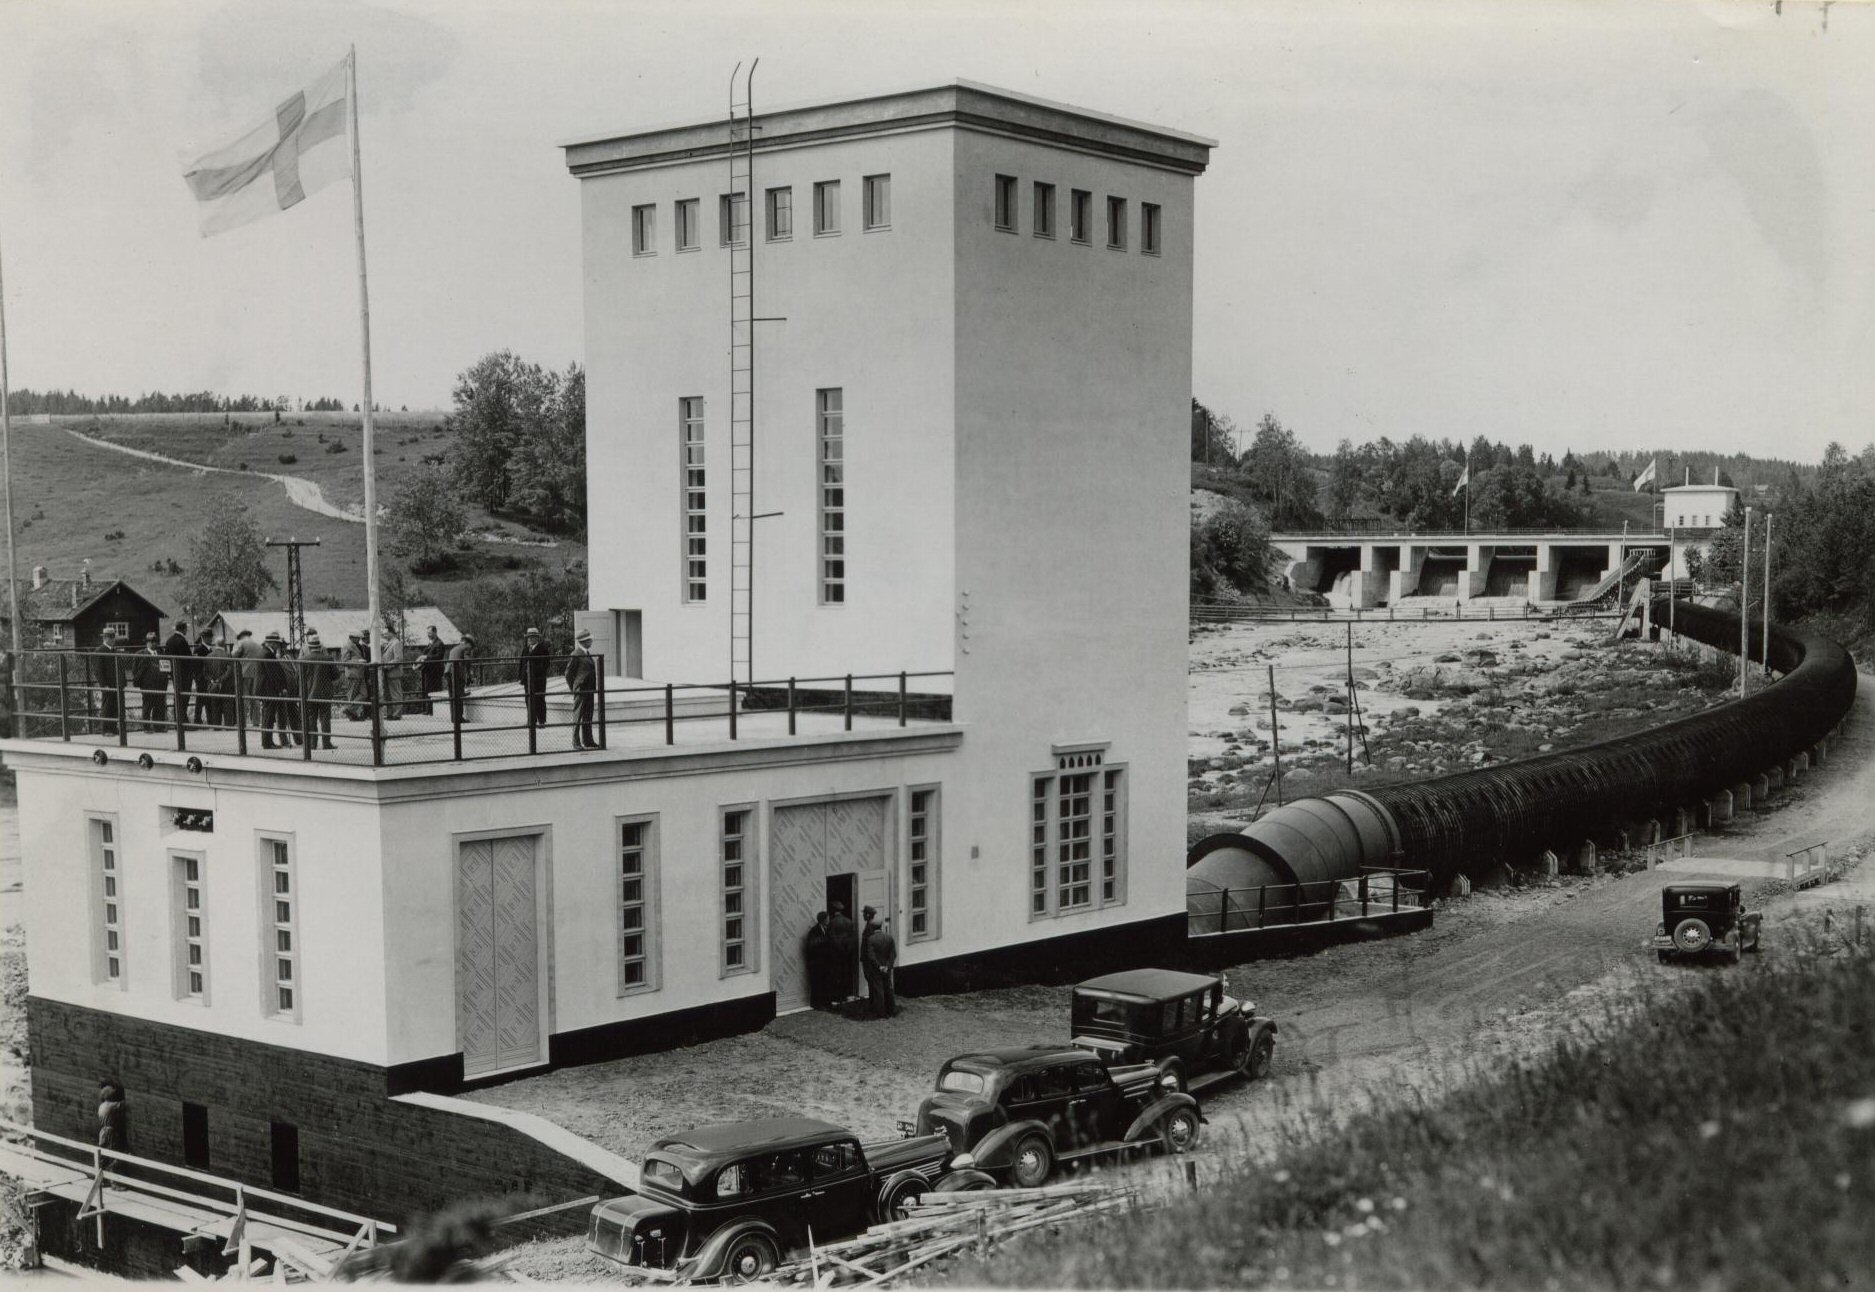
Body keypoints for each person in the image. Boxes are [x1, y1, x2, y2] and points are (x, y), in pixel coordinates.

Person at [299, 630, 337, 750]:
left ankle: (312, 743)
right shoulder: (328, 659)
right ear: (320, 647)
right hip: (325, 693)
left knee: (311, 719)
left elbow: (299, 677)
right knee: (325, 719)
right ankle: (326, 743)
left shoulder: (303, 660)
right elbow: (336, 676)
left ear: (309, 647)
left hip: (309, 693)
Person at [257, 631, 293, 749]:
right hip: (269, 689)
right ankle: (267, 743)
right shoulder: (268, 654)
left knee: (267, 717)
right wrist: (281, 688)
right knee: (268, 717)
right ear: (271, 643)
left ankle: (267, 741)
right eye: (276, 643)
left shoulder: (263, 652)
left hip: (265, 688)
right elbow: (273, 674)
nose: (278, 645)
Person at [562, 628, 597, 748]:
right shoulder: (576, 654)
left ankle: (588, 740)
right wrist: (574, 687)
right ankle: (576, 742)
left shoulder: (586, 653)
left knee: (588, 715)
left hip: (589, 689)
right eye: (589, 640)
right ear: (584, 641)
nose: (591, 641)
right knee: (578, 715)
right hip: (581, 689)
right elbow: (568, 673)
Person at [132, 632, 168, 732]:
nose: (154, 643)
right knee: (147, 705)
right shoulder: (140, 654)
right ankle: (146, 727)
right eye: (151, 641)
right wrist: (140, 681)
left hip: (160, 684)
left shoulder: (161, 653)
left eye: (155, 641)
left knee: (159, 705)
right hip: (147, 684)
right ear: (147, 642)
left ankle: (159, 726)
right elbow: (135, 670)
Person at [865, 917, 899, 1018]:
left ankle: (881, 1012)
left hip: (876, 969)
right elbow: (893, 954)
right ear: (881, 926)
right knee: (888, 988)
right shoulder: (889, 938)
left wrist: (879, 966)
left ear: (872, 927)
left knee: (878, 989)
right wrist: (888, 966)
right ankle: (891, 1010)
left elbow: (871, 956)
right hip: (887, 968)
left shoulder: (871, 939)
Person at [232, 629, 266, 729]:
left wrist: (233, 650)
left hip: (245, 673)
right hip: (256, 673)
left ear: (241, 636)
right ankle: (256, 721)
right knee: (255, 697)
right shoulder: (257, 644)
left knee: (244, 698)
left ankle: (242, 722)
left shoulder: (241, 643)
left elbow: (234, 655)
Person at [92, 627, 123, 736]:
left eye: (113, 636)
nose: (113, 639)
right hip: (107, 684)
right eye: (110, 637)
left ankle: (113, 728)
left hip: (116, 683)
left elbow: (120, 667)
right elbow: (98, 670)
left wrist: (122, 682)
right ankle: (105, 729)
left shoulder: (114, 650)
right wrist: (103, 684)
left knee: (115, 706)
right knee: (107, 706)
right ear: (105, 638)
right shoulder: (100, 651)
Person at [163, 621, 194, 730]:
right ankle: (182, 721)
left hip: (174, 673)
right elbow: (185, 659)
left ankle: (178, 720)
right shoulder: (181, 641)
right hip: (184, 674)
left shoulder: (169, 640)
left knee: (177, 696)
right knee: (184, 696)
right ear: (184, 629)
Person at [519, 626, 551, 729]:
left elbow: (546, 664)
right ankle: (531, 720)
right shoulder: (525, 649)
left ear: (537, 638)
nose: (530, 639)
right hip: (527, 680)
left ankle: (541, 721)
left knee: (539, 699)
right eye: (529, 637)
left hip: (538, 679)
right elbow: (521, 663)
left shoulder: (543, 649)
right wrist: (521, 676)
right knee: (528, 699)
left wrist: (535, 672)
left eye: (533, 637)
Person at [826, 901, 857, 1004]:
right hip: (847, 953)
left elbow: (831, 939)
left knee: (836, 974)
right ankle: (845, 995)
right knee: (845, 973)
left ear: (833, 910)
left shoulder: (832, 923)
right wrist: (848, 950)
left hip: (836, 953)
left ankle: (837, 996)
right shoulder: (849, 921)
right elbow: (852, 938)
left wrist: (839, 949)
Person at [201, 632, 232, 730]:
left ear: (215, 644)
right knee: (227, 704)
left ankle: (216, 726)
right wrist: (220, 680)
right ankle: (228, 725)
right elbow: (229, 671)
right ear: (224, 644)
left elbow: (205, 672)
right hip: (225, 684)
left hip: (212, 684)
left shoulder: (208, 656)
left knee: (215, 704)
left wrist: (212, 680)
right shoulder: (228, 655)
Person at [804, 911, 834, 1010]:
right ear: (823, 920)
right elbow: (811, 947)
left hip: (826, 962)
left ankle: (826, 1002)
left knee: (826, 982)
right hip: (817, 962)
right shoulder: (814, 931)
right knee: (817, 983)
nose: (829, 920)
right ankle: (816, 1004)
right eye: (828, 918)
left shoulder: (827, 930)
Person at [446, 632, 476, 726]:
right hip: (457, 674)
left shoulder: (454, 648)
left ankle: (454, 718)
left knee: (452, 696)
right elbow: (467, 661)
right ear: (469, 643)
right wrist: (469, 675)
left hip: (448, 672)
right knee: (459, 696)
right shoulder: (466, 648)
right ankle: (459, 718)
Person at [340, 631, 369, 721]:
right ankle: (352, 715)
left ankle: (349, 709)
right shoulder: (346, 646)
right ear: (352, 637)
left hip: (360, 673)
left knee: (364, 694)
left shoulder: (358, 645)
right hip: (353, 674)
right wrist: (358, 661)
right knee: (352, 695)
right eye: (357, 638)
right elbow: (345, 661)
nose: (359, 639)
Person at [418, 625, 447, 715]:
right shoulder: (431, 644)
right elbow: (425, 654)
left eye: (430, 633)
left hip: (435, 671)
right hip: (429, 671)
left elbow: (439, 656)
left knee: (435, 689)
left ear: (435, 632)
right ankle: (429, 710)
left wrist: (426, 657)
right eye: (427, 633)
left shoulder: (439, 643)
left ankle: (434, 710)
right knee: (428, 690)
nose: (428, 635)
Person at [189, 628, 216, 726]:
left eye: (210, 637)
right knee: (200, 699)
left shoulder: (210, 649)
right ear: (203, 638)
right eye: (208, 637)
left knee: (208, 699)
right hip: (201, 678)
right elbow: (196, 665)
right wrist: (198, 677)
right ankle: (197, 719)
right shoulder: (199, 649)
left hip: (208, 677)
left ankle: (210, 719)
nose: (210, 639)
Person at [380, 630, 405, 721]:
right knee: (388, 694)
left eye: (386, 633)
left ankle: (397, 714)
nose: (384, 634)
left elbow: (398, 658)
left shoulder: (396, 643)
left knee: (395, 693)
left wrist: (386, 666)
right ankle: (390, 713)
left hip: (393, 672)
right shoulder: (389, 643)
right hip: (387, 672)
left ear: (392, 632)